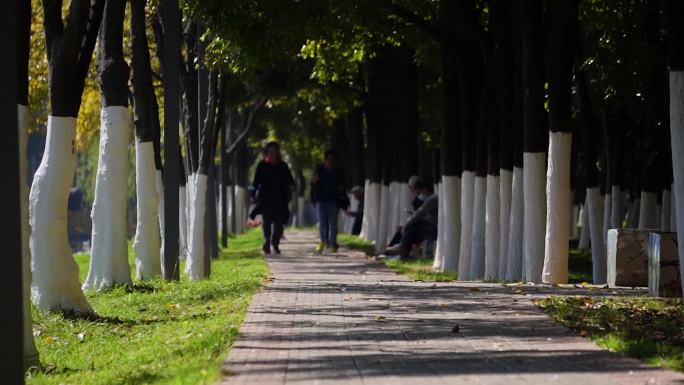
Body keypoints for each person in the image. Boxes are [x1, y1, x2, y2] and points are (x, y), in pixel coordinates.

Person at [249, 141, 295, 254]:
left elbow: (290, 180)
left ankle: (275, 243)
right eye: (271, 151)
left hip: (280, 200)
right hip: (266, 199)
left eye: (275, 151)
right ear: (267, 153)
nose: (273, 154)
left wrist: (292, 187)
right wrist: (253, 194)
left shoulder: (283, 166)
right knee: (267, 223)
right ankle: (267, 241)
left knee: (279, 225)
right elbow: (256, 182)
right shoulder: (262, 165)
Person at [386, 180, 438, 260]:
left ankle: (402, 253)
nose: (418, 194)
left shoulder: (433, 199)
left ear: (425, 189)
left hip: (434, 230)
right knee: (406, 228)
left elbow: (419, 214)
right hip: (431, 227)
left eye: (416, 191)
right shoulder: (431, 199)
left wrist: (406, 225)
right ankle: (395, 250)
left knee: (410, 227)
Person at [311, 150, 347, 252]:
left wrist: (341, 194)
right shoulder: (319, 170)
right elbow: (313, 184)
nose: (330, 162)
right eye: (328, 159)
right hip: (321, 200)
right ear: (325, 160)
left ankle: (332, 244)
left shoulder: (338, 171)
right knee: (322, 222)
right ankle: (323, 241)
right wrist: (315, 182)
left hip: (333, 201)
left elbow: (342, 186)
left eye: (332, 160)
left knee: (333, 224)